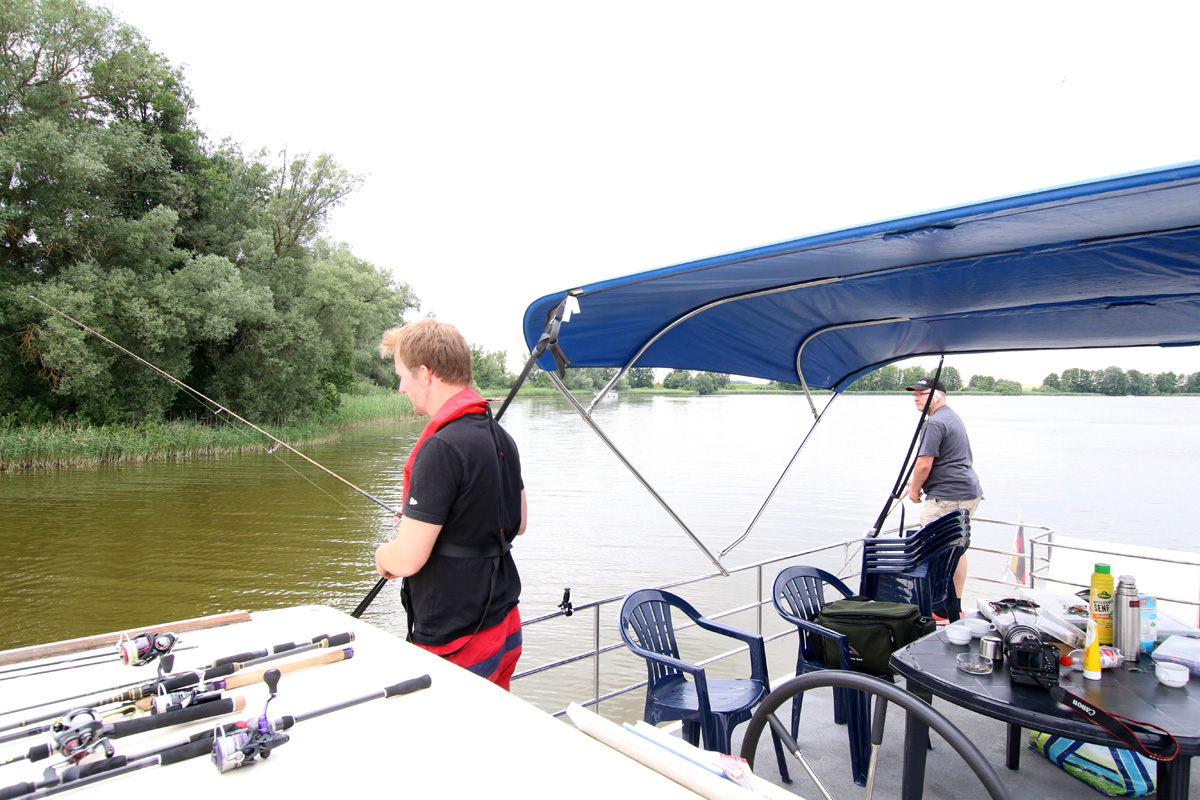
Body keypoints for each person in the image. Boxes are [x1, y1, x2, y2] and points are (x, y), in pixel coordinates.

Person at [374, 319, 528, 690]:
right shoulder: (498, 433)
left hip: (459, 639)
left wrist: (384, 554)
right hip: (504, 625)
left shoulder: (441, 447)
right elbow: (517, 522)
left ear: (424, 374)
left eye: (402, 376)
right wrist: (425, 520)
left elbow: (408, 559)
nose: (400, 387)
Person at [904, 376, 983, 609]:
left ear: (938, 394)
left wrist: (915, 490)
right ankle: (953, 605)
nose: (916, 398)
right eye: (915, 394)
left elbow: (924, 465)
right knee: (956, 548)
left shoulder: (935, 422)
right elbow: (944, 461)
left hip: (948, 497)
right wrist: (915, 482)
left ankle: (938, 607)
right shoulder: (951, 416)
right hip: (967, 491)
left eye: (922, 393)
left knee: (937, 552)